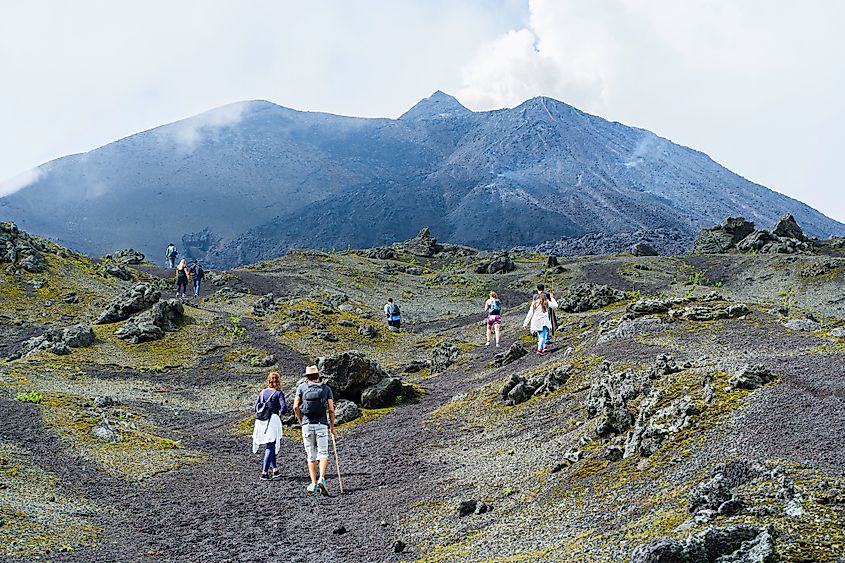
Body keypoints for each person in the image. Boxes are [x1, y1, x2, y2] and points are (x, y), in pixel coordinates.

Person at [293, 365, 336, 495]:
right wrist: (332, 427)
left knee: (311, 456)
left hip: (307, 424)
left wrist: (301, 422)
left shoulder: (301, 387)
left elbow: (295, 407)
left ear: (307, 377)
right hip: (321, 424)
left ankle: (313, 484)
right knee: (323, 453)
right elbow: (331, 409)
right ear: (318, 376)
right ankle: (322, 478)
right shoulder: (326, 388)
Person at [251, 371, 287, 481]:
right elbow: (284, 409)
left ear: (269, 380)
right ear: (279, 380)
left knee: (269, 445)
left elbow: (255, 407)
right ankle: (264, 473)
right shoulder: (278, 393)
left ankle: (275, 470)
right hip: (272, 421)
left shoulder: (262, 392)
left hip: (261, 421)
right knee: (270, 446)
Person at [523, 290, 558, 355]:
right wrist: (552, 298)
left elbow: (530, 313)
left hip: (535, 323)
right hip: (544, 322)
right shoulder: (547, 302)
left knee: (540, 336)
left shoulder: (534, 303)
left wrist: (525, 323)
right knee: (543, 336)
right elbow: (556, 305)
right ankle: (539, 350)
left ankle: (541, 348)